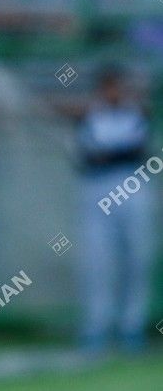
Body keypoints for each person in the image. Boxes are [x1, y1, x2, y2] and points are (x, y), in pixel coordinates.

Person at [67, 66, 155, 353]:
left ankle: (132, 326)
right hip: (97, 189)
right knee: (98, 262)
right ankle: (97, 326)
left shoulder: (137, 113)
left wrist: (107, 155)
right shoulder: (89, 115)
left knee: (137, 258)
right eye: (108, 87)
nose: (113, 92)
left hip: (131, 187)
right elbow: (87, 157)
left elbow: (135, 151)